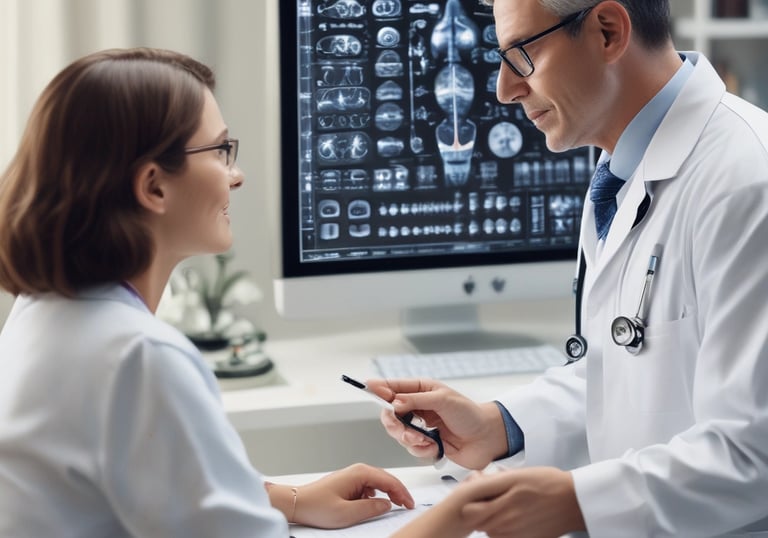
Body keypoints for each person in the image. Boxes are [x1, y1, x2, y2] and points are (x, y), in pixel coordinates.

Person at [369, 0, 768, 536]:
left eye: (522, 56)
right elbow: (626, 365)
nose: (504, 90)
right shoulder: (619, 167)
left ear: (607, 31)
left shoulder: (749, 180)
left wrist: (581, 503)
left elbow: (753, 452)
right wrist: (497, 426)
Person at [0, 47, 421, 537]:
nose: (236, 175)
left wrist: (290, 499)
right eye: (221, 151)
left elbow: (143, 477)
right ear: (154, 187)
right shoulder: (140, 357)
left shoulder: (40, 316)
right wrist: (458, 516)